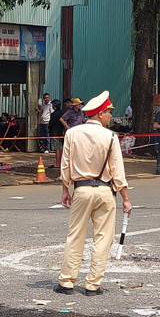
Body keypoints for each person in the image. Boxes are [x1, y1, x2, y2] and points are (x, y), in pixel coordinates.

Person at [54, 90, 132, 297]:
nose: (110, 116)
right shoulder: (110, 137)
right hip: (105, 191)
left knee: (75, 235)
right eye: (108, 112)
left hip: (81, 190)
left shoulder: (72, 133)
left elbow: (66, 165)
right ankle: (93, 285)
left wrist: (65, 189)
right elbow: (117, 170)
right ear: (99, 114)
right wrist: (125, 198)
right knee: (103, 238)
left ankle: (67, 282)